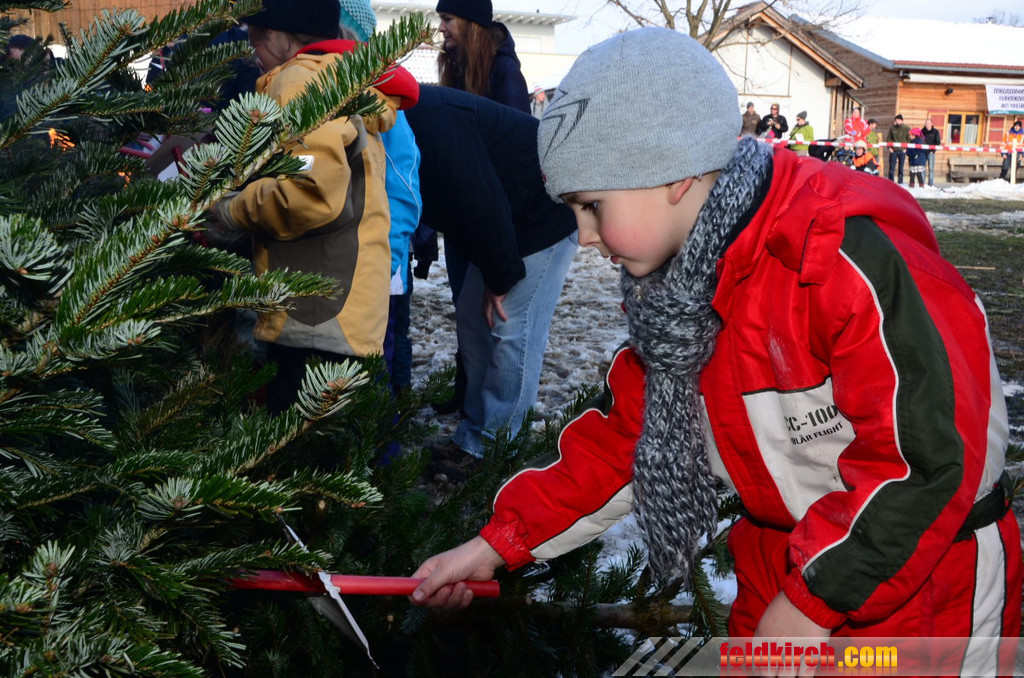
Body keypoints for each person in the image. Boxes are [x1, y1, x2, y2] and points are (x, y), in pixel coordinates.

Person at [409, 29, 1022, 662]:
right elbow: (625, 442)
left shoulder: (839, 261)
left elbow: (929, 458)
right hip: (782, 572)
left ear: (670, 175)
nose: (584, 236)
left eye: (592, 205)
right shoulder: (674, 303)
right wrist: (494, 546)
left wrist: (817, 596)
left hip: (921, 590)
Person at [207, 0, 413, 413]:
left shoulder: (301, 80)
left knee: (300, 441)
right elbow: (318, 171)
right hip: (343, 312)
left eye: (254, 38)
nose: (252, 52)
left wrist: (230, 208)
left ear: (278, 34)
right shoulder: (338, 77)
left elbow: (310, 193)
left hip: (316, 316)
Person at [404, 85, 578, 480]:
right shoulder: (408, 121)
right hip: (505, 218)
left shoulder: (432, 123)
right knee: (472, 319)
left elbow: (480, 201)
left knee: (511, 326)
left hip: (544, 213)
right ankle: (473, 435)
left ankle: (499, 449)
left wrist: (499, 279)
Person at [338, 0, 423, 396]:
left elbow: (404, 185)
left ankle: (391, 424)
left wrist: (389, 259)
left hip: (378, 265)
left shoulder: (380, 99)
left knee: (379, 363)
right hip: (342, 264)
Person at [435, 0, 529, 114]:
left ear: (471, 24)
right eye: (441, 20)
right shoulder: (455, 67)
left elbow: (518, 123)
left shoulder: (504, 70)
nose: (441, 28)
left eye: (447, 19)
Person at [887, 113, 910, 184]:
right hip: (893, 150)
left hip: (902, 150)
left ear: (902, 120)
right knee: (892, 167)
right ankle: (890, 181)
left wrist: (906, 148)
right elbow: (889, 138)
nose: (897, 121)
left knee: (901, 167)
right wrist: (889, 147)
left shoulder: (906, 128)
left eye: (899, 120)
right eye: (896, 120)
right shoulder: (892, 128)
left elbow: (908, 139)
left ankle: (900, 182)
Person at [921, 118, 941, 187]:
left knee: (931, 168)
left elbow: (938, 142)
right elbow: (920, 141)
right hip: (923, 152)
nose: (927, 124)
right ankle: (922, 183)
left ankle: (931, 183)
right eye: (926, 123)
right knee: (922, 168)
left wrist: (933, 151)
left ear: (932, 124)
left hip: (931, 152)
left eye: (928, 123)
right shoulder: (922, 131)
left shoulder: (935, 131)